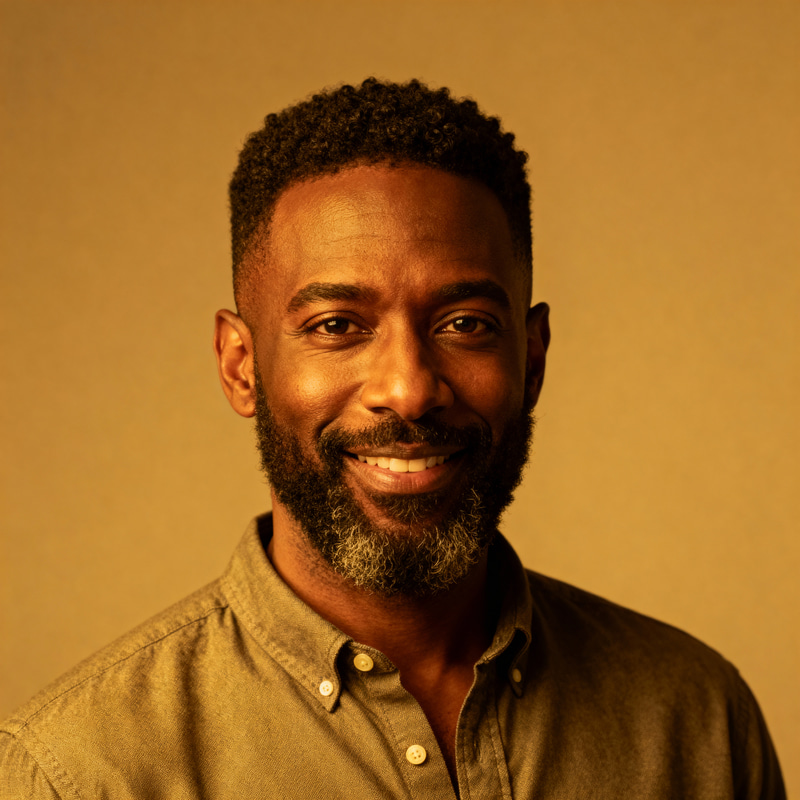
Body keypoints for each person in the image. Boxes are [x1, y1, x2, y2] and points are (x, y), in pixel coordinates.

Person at [0, 78, 785, 799]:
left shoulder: (699, 721)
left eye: (464, 325)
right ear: (241, 366)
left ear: (532, 357)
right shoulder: (80, 771)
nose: (408, 389)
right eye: (337, 326)